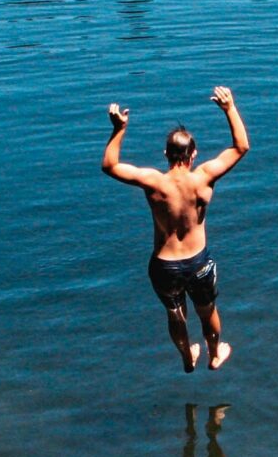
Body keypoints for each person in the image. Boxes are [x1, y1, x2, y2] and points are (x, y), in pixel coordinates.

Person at [102, 87, 249, 371]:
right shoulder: (204, 177)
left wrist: (119, 129)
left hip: (164, 266)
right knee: (207, 312)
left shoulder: (153, 181)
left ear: (165, 154)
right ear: (193, 154)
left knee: (175, 313)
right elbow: (241, 147)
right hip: (198, 263)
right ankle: (214, 355)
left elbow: (109, 165)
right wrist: (229, 108)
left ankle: (186, 358)